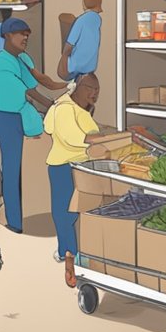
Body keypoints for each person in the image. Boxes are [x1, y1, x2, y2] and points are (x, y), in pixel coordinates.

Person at [0, 18, 55, 234]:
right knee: (12, 169)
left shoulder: (18, 60)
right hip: (6, 118)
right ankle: (15, 222)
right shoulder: (2, 63)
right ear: (6, 36)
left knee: (25, 169)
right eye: (20, 34)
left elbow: (35, 85)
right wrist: (51, 105)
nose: (25, 38)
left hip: (18, 116)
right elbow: (26, 91)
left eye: (27, 34)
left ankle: (23, 216)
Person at [45, 73, 100, 287]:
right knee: (65, 214)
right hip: (63, 167)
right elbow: (72, 137)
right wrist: (104, 138)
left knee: (73, 213)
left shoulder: (79, 109)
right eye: (90, 88)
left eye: (97, 89)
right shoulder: (65, 109)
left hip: (81, 167)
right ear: (77, 86)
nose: (94, 93)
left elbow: (49, 127)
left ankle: (66, 251)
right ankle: (70, 258)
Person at [57, 0, 103, 82]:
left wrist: (64, 56)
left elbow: (69, 44)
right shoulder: (97, 20)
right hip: (90, 66)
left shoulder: (81, 20)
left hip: (74, 66)